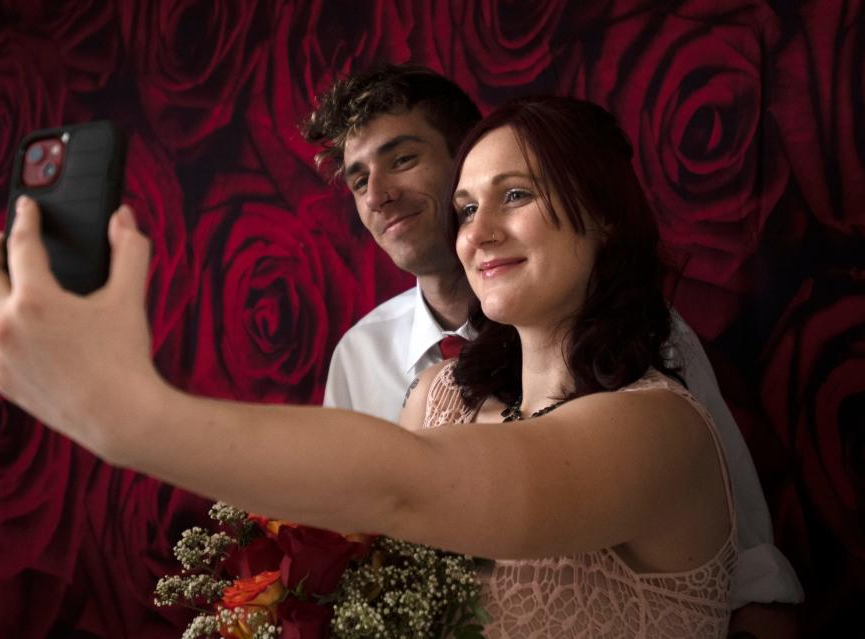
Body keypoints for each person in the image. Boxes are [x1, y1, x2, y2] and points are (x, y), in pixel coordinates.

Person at [0, 95, 761, 637]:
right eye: (466, 209)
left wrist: (123, 412)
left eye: (515, 193)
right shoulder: (441, 393)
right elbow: (351, 542)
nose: (477, 234)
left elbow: (403, 483)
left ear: (605, 218)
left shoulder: (658, 432)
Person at [305, 64, 802, 636]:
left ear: (464, 151)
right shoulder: (367, 357)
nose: (379, 194)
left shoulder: (654, 355)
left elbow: (748, 565)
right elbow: (357, 560)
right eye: (358, 178)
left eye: (402, 159)